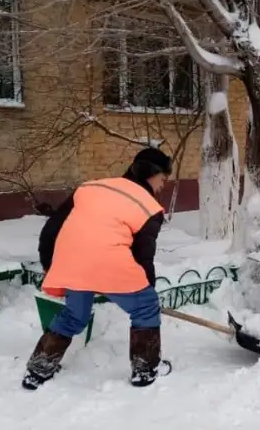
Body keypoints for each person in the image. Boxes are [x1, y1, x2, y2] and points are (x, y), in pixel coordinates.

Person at [22, 147, 174, 390]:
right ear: (151, 173)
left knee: (74, 315)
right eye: (163, 179)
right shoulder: (148, 206)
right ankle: (145, 371)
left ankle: (38, 370)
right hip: (108, 262)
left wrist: (52, 265)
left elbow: (54, 226)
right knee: (145, 307)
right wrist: (147, 293)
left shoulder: (91, 187)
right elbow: (143, 257)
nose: (162, 186)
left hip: (71, 262)